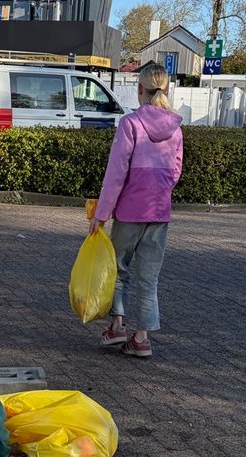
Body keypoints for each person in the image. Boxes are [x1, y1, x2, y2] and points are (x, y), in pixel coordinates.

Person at [88, 64, 184, 358]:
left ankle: (117, 326)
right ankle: (141, 338)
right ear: (165, 89)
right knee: (149, 276)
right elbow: (176, 171)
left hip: (130, 209)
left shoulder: (130, 124)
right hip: (159, 211)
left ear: (140, 89)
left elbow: (116, 173)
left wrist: (101, 214)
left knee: (119, 269)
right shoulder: (176, 128)